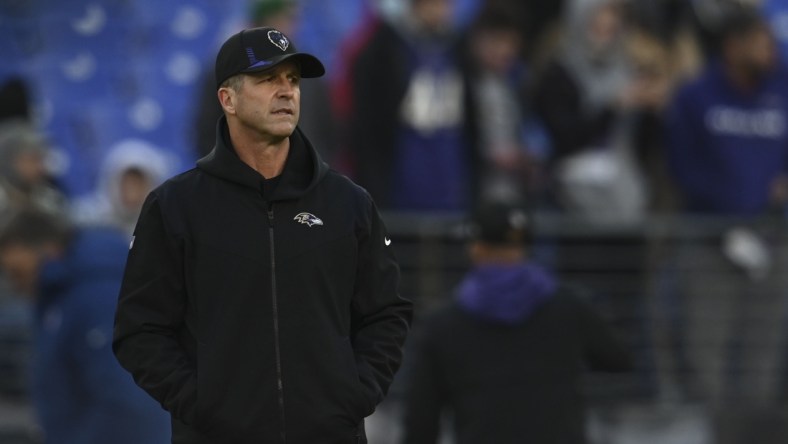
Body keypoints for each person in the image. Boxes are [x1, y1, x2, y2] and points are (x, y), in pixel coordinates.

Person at [113, 26, 413, 444]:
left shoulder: (349, 203)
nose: (286, 91)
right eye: (268, 79)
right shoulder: (175, 206)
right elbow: (139, 330)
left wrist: (354, 394)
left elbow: (386, 314)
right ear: (227, 99)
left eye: (292, 80)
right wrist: (201, 405)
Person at [400, 200, 633, 444]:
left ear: (475, 248)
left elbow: (421, 422)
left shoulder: (443, 323)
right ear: (525, 247)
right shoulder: (569, 306)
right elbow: (619, 359)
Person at [662, 7, 788, 443]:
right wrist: (738, 206)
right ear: (732, 48)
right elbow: (682, 168)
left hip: (772, 241)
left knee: (763, 354)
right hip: (709, 240)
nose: (770, 52)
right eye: (760, 42)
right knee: (706, 352)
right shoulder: (696, 96)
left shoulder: (782, 91)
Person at [0, 209, 170, 444]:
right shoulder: (63, 295)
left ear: (50, 251)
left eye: (18, 273)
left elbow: (128, 402)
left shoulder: (96, 297)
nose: (16, 286)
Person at [340, 0, 481, 211]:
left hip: (452, 183)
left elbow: (471, 121)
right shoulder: (382, 51)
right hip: (401, 185)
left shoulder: (459, 49)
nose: (443, 10)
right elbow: (367, 128)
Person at [70, 138, 173, 237]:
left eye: (138, 185)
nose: (132, 193)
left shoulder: (167, 226)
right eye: (127, 184)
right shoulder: (87, 221)